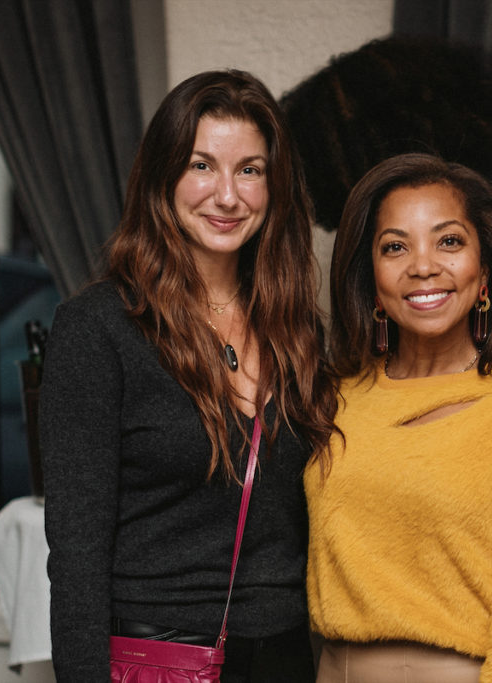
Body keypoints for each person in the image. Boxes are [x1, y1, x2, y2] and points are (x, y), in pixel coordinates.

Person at [39, 70, 337, 682]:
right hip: (158, 655)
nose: (227, 196)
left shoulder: (296, 328)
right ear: (163, 177)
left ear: (275, 187)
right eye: (203, 165)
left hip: (287, 654)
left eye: (250, 170)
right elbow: (76, 554)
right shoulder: (98, 328)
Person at [305, 152, 492, 682]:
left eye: (449, 241)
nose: (423, 265)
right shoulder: (333, 400)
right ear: (371, 277)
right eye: (395, 246)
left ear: (484, 271)